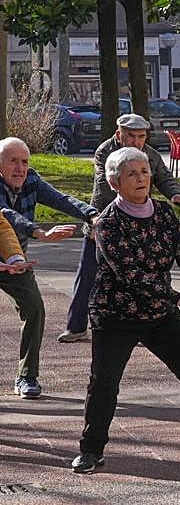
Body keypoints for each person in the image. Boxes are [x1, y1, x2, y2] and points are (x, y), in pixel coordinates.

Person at [70, 148, 180, 473]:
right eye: (131, 174)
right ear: (115, 183)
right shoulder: (108, 223)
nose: (141, 178)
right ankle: (91, 450)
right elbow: (131, 275)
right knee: (104, 383)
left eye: (144, 171)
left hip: (159, 313)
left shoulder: (164, 212)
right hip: (115, 314)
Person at [58, 113, 180, 344]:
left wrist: (175, 193)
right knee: (87, 274)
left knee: (138, 279)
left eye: (141, 136)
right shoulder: (105, 152)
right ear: (119, 134)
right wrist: (99, 220)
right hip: (101, 223)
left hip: (137, 229)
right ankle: (76, 326)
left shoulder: (150, 155)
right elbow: (104, 187)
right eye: (131, 136)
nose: (136, 141)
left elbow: (164, 177)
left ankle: (141, 328)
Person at [1, 137, 99, 399]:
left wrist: (91, 214)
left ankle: (26, 376)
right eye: (13, 161)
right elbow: (7, 216)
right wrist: (39, 232)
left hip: (16, 261)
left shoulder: (31, 180)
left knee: (34, 309)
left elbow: (60, 199)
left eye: (24, 162)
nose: (20, 168)